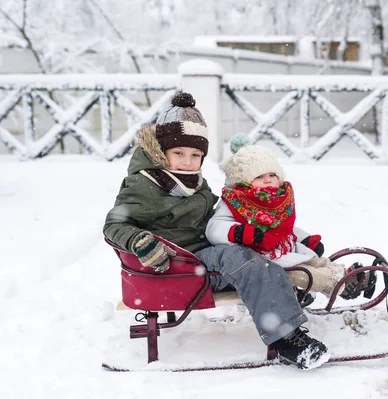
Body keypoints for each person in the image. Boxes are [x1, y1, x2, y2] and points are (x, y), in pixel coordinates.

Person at [103, 92, 330, 369]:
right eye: (178, 153)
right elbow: (114, 224)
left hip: (201, 260)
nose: (188, 161)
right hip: (177, 266)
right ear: (161, 153)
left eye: (195, 155)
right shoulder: (144, 185)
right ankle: (285, 338)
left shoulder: (192, 182)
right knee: (246, 262)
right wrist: (139, 240)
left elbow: (216, 217)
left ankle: (285, 295)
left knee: (258, 251)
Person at [205, 135, 375, 301]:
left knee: (315, 262)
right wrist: (239, 232)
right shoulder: (235, 201)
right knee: (303, 274)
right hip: (261, 259)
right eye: (259, 176)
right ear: (244, 181)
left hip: (286, 248)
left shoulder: (280, 199)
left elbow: (284, 228)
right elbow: (214, 227)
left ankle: (346, 275)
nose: (267, 180)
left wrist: (305, 239)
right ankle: (339, 285)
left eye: (272, 175)